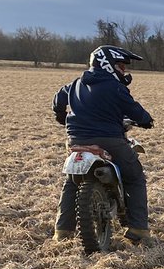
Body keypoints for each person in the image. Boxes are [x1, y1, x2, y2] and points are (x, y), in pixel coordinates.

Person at [52, 45, 154, 244]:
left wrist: (62, 117)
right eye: (121, 66)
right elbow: (134, 110)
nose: (124, 70)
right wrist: (146, 120)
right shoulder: (115, 87)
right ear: (108, 64)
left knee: (72, 181)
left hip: (76, 141)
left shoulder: (75, 84)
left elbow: (57, 101)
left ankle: (62, 230)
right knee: (135, 177)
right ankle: (138, 229)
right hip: (110, 139)